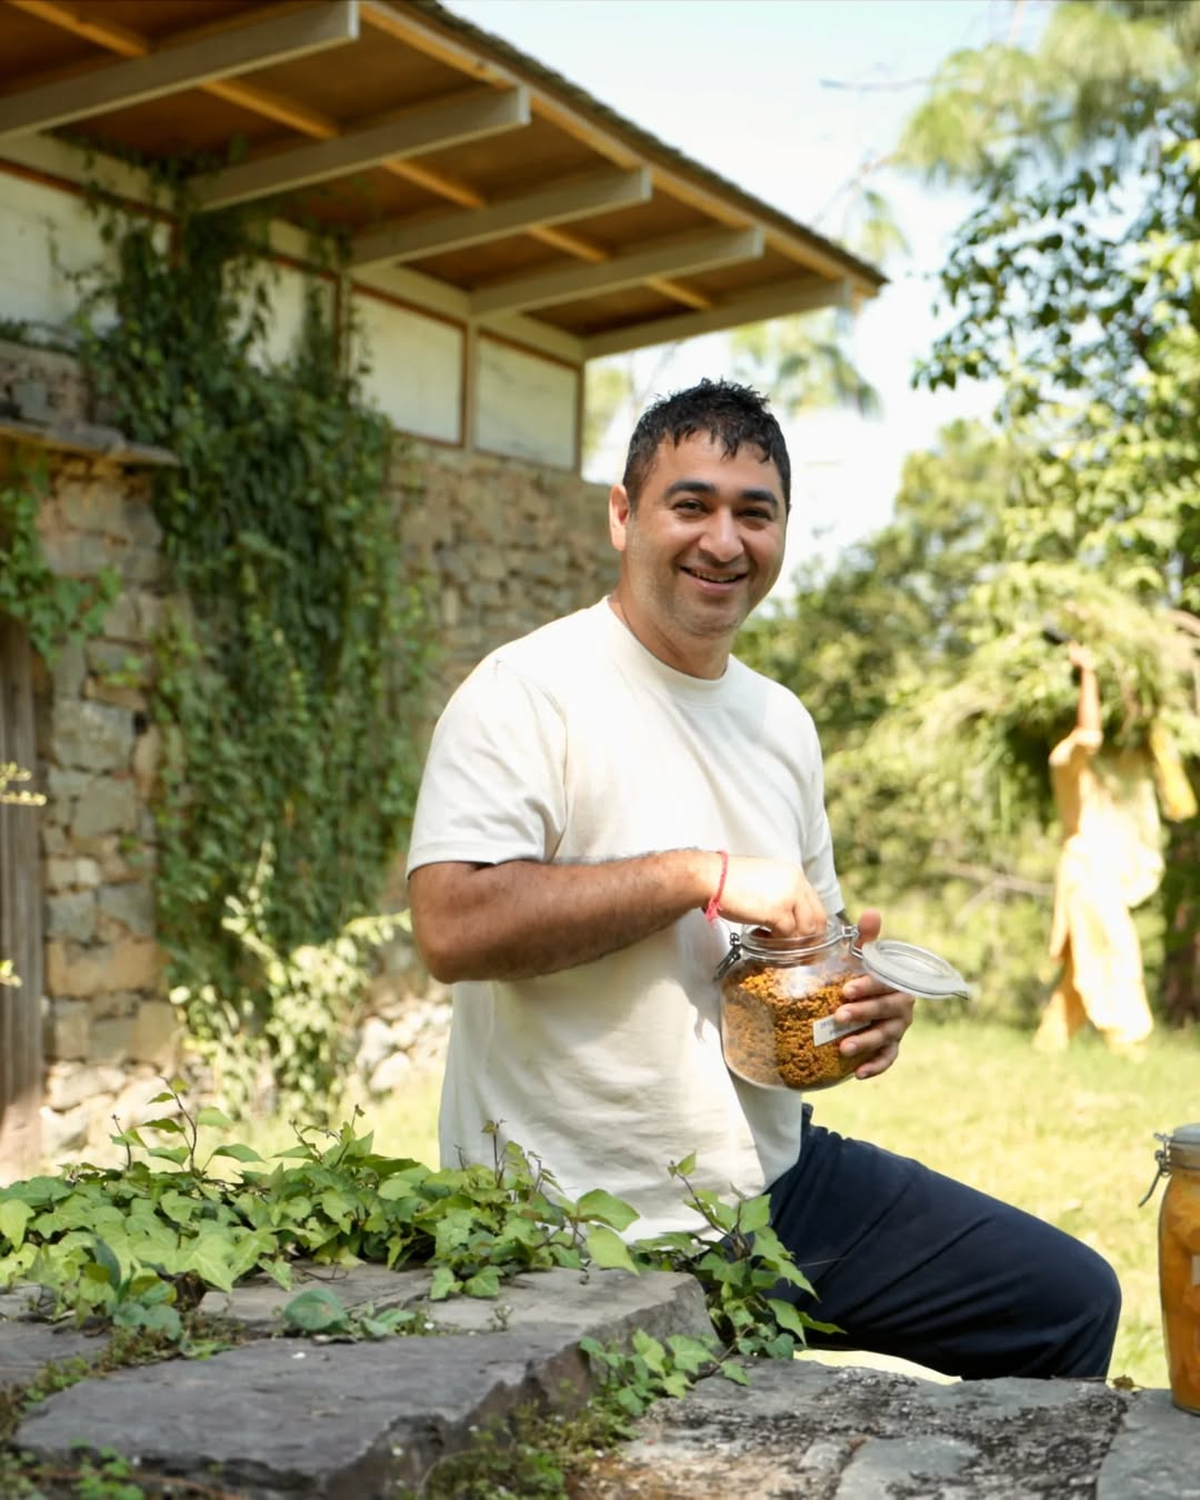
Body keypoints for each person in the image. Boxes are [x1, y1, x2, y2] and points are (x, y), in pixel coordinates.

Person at [407, 379, 1120, 1380]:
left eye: (756, 512)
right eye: (690, 505)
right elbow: (451, 928)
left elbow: (795, 970)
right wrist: (701, 875)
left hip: (776, 1184)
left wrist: (858, 1008)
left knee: (1068, 1301)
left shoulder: (782, 723)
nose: (723, 541)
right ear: (623, 516)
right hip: (578, 1221)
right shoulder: (528, 693)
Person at [1033, 641, 1162, 1053]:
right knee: (1116, 949)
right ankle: (1126, 1037)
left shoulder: (1111, 768)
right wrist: (1088, 671)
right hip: (1085, 873)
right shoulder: (1065, 758)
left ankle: (1050, 1043)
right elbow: (1089, 734)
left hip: (1100, 872)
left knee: (1083, 962)